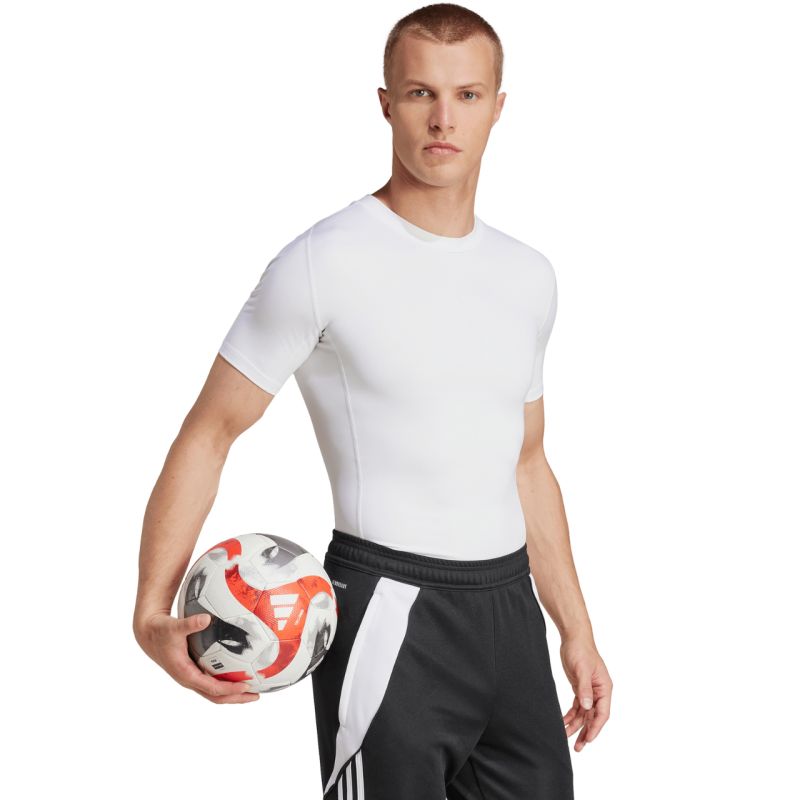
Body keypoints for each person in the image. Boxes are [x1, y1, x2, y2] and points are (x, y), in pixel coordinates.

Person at [133, 4, 612, 798]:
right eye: (422, 93)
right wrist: (152, 607)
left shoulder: (529, 277)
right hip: (390, 610)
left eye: (466, 95)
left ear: (497, 107)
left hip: (511, 617)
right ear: (387, 104)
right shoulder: (324, 262)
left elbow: (526, 462)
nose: (443, 118)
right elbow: (209, 432)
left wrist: (578, 631)